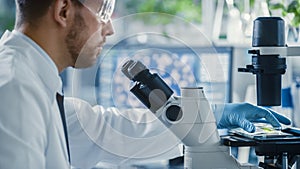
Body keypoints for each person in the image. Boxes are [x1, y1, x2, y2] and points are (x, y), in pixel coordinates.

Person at [0, 0, 291, 169]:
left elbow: (104, 130)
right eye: (103, 11)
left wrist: (210, 115)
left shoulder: (33, 80)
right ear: (63, 10)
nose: (110, 28)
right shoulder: (14, 89)